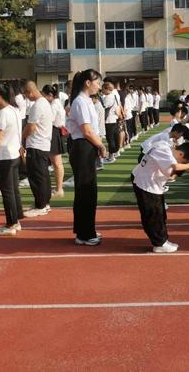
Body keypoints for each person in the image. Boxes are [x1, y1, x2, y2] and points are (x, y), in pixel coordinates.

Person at [132, 141, 189, 253]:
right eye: (183, 161)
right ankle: (159, 244)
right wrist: (188, 166)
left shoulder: (164, 145)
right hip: (147, 185)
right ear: (181, 154)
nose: (181, 164)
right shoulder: (164, 151)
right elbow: (175, 166)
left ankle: (162, 240)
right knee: (154, 215)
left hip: (149, 183)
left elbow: (171, 174)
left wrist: (176, 172)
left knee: (159, 213)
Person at [68, 69, 107, 246]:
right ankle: (85, 233)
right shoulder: (81, 102)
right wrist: (100, 144)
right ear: (88, 83)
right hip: (83, 146)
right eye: (97, 82)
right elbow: (87, 130)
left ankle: (85, 229)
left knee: (88, 190)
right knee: (86, 190)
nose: (99, 86)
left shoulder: (86, 101)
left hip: (86, 146)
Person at [0, 83, 24, 236]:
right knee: (13, 190)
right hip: (14, 154)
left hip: (5, 156)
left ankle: (11, 223)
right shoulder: (14, 110)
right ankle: (15, 221)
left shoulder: (3, 113)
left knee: (7, 191)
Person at [23, 81, 54, 217]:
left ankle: (41, 205)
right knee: (43, 175)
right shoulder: (45, 103)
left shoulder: (38, 105)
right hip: (43, 143)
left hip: (36, 144)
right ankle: (44, 203)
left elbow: (31, 127)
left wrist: (21, 138)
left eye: (25, 93)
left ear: (29, 92)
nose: (26, 96)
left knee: (37, 176)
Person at [42, 85, 66, 198]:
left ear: (50, 95)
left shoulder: (53, 105)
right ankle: (58, 188)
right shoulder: (57, 103)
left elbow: (49, 120)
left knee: (56, 163)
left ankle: (59, 188)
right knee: (57, 163)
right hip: (56, 131)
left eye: (44, 95)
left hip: (53, 131)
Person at [101, 82, 121, 163]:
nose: (102, 90)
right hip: (114, 119)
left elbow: (103, 107)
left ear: (106, 89)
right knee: (114, 137)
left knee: (110, 138)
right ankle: (114, 153)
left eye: (103, 88)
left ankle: (111, 156)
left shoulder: (108, 97)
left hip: (108, 120)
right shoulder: (114, 96)